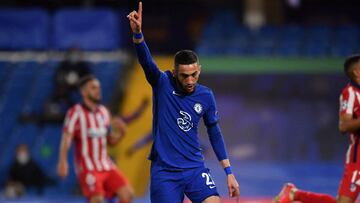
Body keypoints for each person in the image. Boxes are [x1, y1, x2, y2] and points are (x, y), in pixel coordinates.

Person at [127, 2, 240, 203]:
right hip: (165, 172)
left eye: (194, 74)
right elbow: (147, 63)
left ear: (200, 71)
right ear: (174, 73)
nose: (190, 80)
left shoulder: (206, 95)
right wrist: (138, 35)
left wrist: (229, 172)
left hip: (194, 168)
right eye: (184, 76)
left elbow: (215, 133)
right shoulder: (162, 83)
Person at [274, 54, 360, 203]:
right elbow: (344, 125)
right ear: (357, 72)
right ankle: (295, 194)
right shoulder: (351, 93)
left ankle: (294, 193)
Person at [56, 75, 134, 203]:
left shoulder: (104, 112)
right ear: (83, 92)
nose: (98, 90)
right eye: (93, 88)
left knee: (127, 193)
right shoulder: (75, 113)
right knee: (97, 199)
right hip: (88, 168)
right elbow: (67, 137)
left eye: (98, 87)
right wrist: (63, 161)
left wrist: (121, 133)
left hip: (106, 165)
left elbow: (110, 142)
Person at [42, 46, 92, 123]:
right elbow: (57, 78)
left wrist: (78, 82)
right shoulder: (64, 65)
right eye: (72, 54)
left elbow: (89, 80)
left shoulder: (83, 66)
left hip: (78, 91)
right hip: (67, 92)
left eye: (76, 54)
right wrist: (65, 81)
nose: (74, 57)